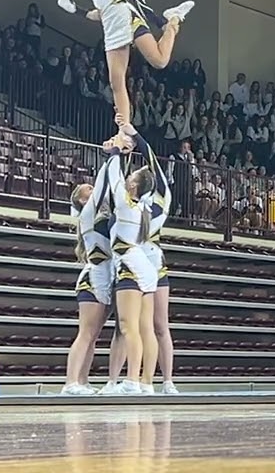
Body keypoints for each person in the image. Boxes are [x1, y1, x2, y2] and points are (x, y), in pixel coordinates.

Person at [56, 0, 194, 128]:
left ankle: (173, 19)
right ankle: (125, 129)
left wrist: (160, 23)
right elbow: (63, 1)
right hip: (110, 26)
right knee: (116, 81)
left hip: (128, 16)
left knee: (160, 61)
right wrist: (86, 13)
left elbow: (139, 0)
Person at [103, 119, 177, 394]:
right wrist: (130, 138)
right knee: (139, 326)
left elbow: (123, 179)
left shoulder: (144, 203)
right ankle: (137, 380)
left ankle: (156, 380)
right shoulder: (150, 204)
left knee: (145, 326)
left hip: (142, 261)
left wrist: (126, 141)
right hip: (144, 262)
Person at [92, 125, 160, 394]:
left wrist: (117, 151)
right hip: (141, 267)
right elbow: (118, 178)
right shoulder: (139, 206)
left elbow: (113, 177)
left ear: (134, 185)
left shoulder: (126, 204)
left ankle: (132, 380)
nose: (129, 177)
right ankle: (142, 382)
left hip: (131, 268)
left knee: (128, 326)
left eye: (132, 176)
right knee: (139, 327)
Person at [60, 140, 120, 395]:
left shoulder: (102, 213)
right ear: (83, 201)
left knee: (93, 335)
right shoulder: (88, 214)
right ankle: (70, 382)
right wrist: (112, 156)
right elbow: (104, 183)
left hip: (106, 276)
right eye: (88, 189)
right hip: (94, 277)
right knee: (85, 333)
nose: (92, 189)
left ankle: (82, 381)